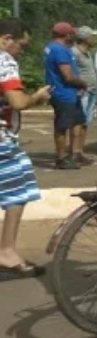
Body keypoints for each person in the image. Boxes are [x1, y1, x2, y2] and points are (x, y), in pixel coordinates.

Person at [0, 18, 53, 281]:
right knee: (20, 190)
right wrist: (38, 97)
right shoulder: (5, 61)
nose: (22, 51)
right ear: (6, 39)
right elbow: (18, 102)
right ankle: (7, 251)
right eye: (21, 45)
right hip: (2, 140)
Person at [44, 22, 90, 169]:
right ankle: (61, 158)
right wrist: (82, 84)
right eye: (72, 33)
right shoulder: (59, 50)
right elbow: (68, 76)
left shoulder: (52, 47)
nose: (73, 36)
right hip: (63, 93)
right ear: (67, 35)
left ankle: (74, 154)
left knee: (78, 122)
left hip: (69, 93)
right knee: (62, 126)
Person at [72, 26, 97, 130]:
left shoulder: (88, 53)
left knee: (86, 123)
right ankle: (75, 146)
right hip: (83, 92)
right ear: (86, 38)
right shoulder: (74, 52)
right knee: (78, 123)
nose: (94, 39)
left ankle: (81, 146)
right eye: (92, 37)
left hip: (91, 91)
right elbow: (72, 72)